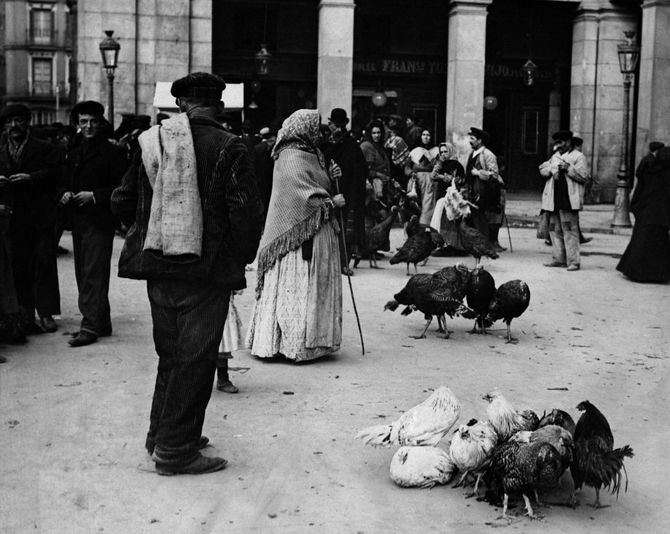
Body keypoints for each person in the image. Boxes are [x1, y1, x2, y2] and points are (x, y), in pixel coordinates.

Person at [111, 72, 263, 475]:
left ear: (180, 104)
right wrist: (239, 259)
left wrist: (148, 234)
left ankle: (160, 434)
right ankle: (176, 450)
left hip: (158, 268)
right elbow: (245, 214)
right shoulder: (231, 146)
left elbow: (122, 200)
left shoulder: (152, 140)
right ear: (221, 104)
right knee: (196, 360)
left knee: (171, 355)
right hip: (206, 272)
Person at [246, 109, 344, 362]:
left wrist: (332, 179)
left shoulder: (313, 154)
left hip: (315, 232)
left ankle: (312, 342)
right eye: (315, 126)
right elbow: (305, 199)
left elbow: (317, 186)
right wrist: (332, 202)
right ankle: (289, 345)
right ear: (304, 128)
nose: (318, 131)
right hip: (295, 240)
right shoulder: (290, 156)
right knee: (293, 287)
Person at [59, 101, 128, 347]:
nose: (88, 126)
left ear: (100, 123)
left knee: (93, 272)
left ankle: (89, 326)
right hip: (79, 219)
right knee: (83, 272)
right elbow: (64, 179)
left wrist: (95, 195)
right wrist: (66, 192)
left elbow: (122, 188)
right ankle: (102, 321)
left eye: (93, 122)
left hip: (100, 220)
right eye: (83, 122)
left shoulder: (113, 152)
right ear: (77, 124)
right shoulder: (74, 150)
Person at [0, 104, 62, 335]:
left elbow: (57, 174)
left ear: (28, 122)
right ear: (5, 127)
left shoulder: (45, 148)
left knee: (44, 262)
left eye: (18, 121)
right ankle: (24, 315)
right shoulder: (1, 151)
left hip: (40, 217)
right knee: (18, 266)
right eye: (9, 122)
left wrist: (31, 178)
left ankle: (46, 313)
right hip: (12, 219)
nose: (14, 126)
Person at [616, 145, 670, 283]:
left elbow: (640, 190)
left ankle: (634, 271)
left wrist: (636, 208)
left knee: (640, 241)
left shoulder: (648, 168)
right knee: (658, 245)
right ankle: (656, 275)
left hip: (645, 212)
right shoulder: (665, 174)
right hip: (660, 215)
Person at [324, 108, 367, 274]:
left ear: (338, 126)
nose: (329, 125)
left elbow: (359, 170)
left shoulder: (351, 145)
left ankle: (344, 262)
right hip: (331, 190)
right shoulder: (329, 142)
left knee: (345, 229)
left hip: (348, 192)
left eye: (332, 123)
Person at [539, 130, 589, 271]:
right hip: (553, 200)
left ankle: (574, 261)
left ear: (568, 142)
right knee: (555, 230)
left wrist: (568, 169)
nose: (558, 146)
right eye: (556, 143)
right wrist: (550, 169)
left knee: (570, 230)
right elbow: (542, 169)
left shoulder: (579, 157)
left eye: (560, 143)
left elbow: (584, 177)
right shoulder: (555, 156)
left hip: (568, 200)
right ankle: (559, 259)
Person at [465, 127, 503, 246]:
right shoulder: (472, 153)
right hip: (472, 190)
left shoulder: (488, 154)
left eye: (472, 138)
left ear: (479, 140)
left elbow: (494, 174)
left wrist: (479, 173)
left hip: (483, 191)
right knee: (474, 217)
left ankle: (484, 245)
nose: (469, 141)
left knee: (481, 218)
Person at [429, 143, 467, 254]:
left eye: (446, 151)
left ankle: (453, 245)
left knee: (451, 219)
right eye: (441, 152)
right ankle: (442, 245)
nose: (444, 154)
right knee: (440, 219)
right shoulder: (440, 164)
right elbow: (433, 176)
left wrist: (444, 177)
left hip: (453, 196)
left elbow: (460, 181)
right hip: (441, 195)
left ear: (450, 151)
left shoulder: (456, 164)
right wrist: (439, 164)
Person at [406, 129, 439, 225]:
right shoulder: (415, 151)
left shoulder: (436, 151)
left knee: (428, 205)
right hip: (416, 180)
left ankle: (425, 226)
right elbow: (407, 167)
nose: (425, 137)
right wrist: (411, 173)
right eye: (423, 135)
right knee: (415, 204)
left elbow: (437, 166)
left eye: (428, 135)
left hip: (430, 181)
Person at [360, 120, 392, 208]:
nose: (377, 135)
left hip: (383, 187)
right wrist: (379, 174)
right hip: (371, 188)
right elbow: (363, 169)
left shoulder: (381, 147)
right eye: (374, 133)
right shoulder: (366, 146)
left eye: (379, 132)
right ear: (370, 134)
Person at [252, 124, 278, 224]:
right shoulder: (277, 147)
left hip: (261, 181)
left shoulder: (258, 148)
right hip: (272, 180)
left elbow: (253, 166)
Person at [570, 136, 592, 245]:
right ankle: (578, 237)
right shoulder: (579, 156)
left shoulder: (563, 155)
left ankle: (579, 236)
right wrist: (586, 177)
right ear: (576, 146)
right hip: (575, 190)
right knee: (574, 214)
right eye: (580, 146)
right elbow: (582, 175)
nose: (581, 148)